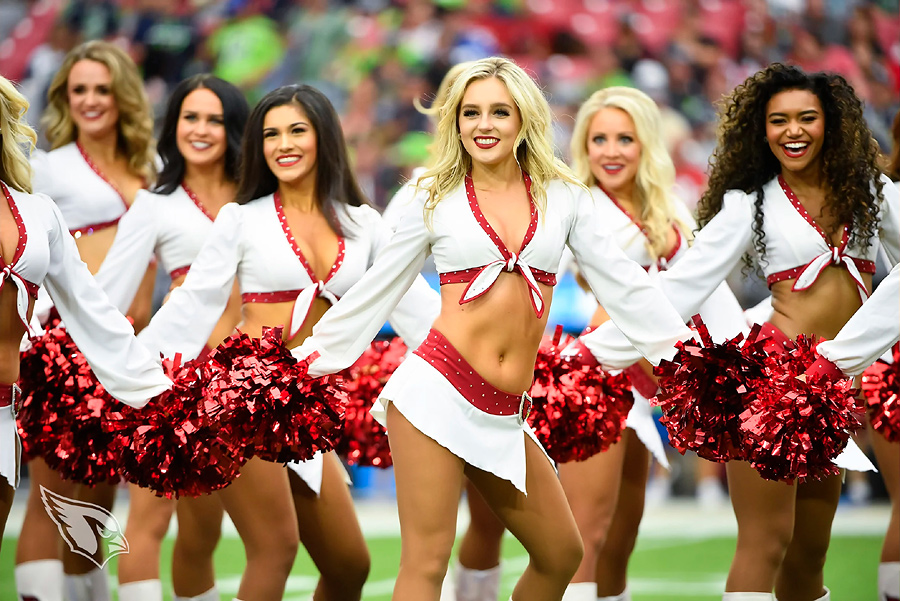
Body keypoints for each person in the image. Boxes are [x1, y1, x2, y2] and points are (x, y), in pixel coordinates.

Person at [290, 57, 694, 601]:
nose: (484, 124)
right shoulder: (429, 196)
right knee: (427, 563)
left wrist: (687, 356)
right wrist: (301, 365)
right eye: (470, 112)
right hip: (436, 392)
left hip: (506, 410)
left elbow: (625, 286)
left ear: (523, 118)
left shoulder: (565, 197)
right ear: (455, 123)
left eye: (499, 112)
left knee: (561, 554)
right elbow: (375, 293)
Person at [579, 63, 898, 601]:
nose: (792, 131)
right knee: (766, 541)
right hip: (770, 382)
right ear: (760, 128)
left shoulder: (870, 192)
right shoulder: (747, 203)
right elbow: (682, 288)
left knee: (810, 552)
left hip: (831, 385)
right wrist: (592, 355)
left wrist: (844, 355)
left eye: (806, 118)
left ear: (831, 124)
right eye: (778, 121)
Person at [134, 84, 441, 601]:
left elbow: (418, 311)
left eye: (297, 129)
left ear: (324, 136)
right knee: (274, 548)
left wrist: (476, 367)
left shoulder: (363, 224)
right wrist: (126, 364)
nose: (283, 143)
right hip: (241, 402)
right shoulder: (242, 218)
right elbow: (191, 309)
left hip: (307, 415)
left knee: (349, 567)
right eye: (271, 133)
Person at [554, 86, 747, 601]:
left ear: (646, 146)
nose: (610, 150)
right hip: (600, 369)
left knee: (622, 536)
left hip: (652, 375)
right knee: (586, 536)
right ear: (583, 145)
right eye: (598, 139)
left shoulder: (667, 206)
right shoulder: (572, 204)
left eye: (625, 138)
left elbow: (704, 285)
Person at [89, 74, 249, 601]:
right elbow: (106, 293)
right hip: (176, 379)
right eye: (190, 118)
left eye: (214, 119)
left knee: (204, 533)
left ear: (234, 128)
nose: (201, 130)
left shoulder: (259, 195)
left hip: (251, 381)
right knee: (150, 521)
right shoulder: (155, 204)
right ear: (173, 126)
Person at [0, 72, 170, 560]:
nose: (92, 100)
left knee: (86, 515)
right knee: (54, 508)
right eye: (80, 90)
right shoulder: (59, 169)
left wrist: (157, 393)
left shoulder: (37, 212)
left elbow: (92, 311)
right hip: (50, 359)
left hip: (6, 410)